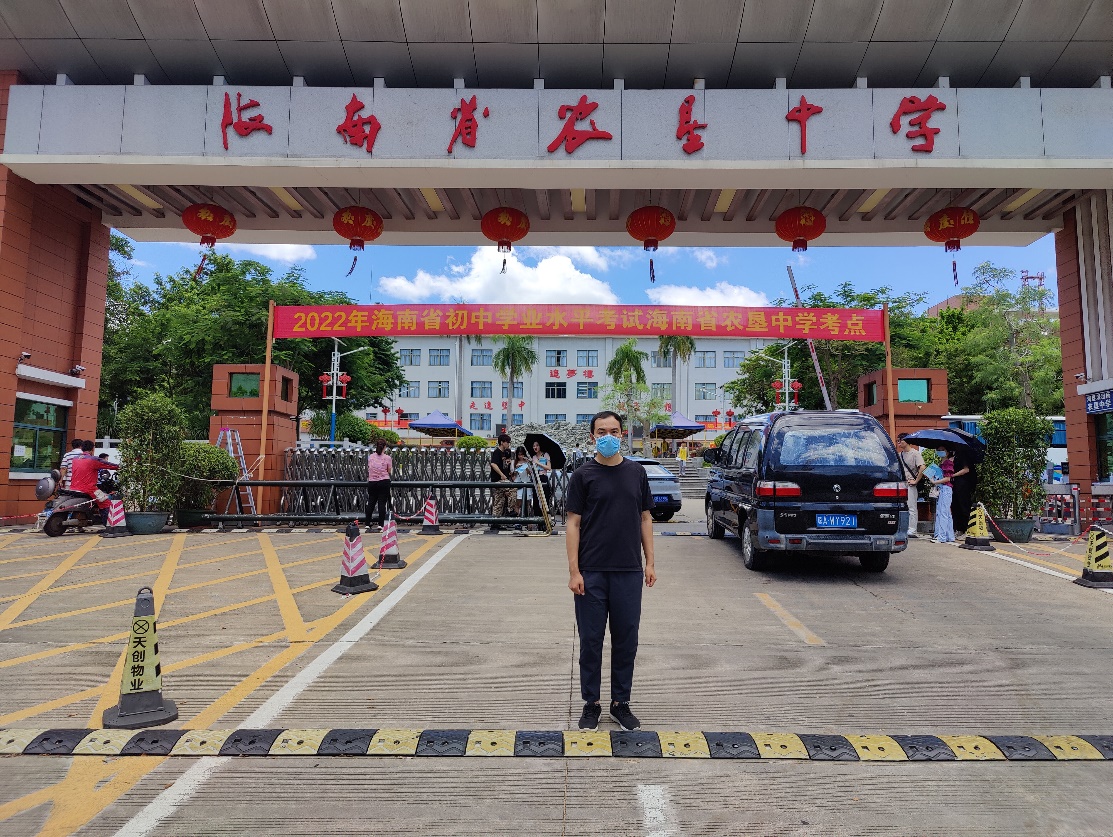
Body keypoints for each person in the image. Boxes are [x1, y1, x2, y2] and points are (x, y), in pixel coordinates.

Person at [566, 410, 656, 732]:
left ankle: (620, 703)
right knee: (591, 641)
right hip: (591, 572)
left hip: (628, 570)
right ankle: (591, 703)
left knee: (626, 640)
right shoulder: (582, 476)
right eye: (602, 431)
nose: (608, 436)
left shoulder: (636, 473)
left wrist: (650, 562)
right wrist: (574, 571)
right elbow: (573, 524)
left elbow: (645, 518)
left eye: (614, 431)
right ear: (593, 436)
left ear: (622, 434)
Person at [69, 440, 118, 524]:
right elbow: (110, 465)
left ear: (82, 448)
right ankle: (108, 526)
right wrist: (121, 467)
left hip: (73, 487)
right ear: (92, 449)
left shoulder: (75, 459)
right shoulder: (93, 460)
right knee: (106, 503)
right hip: (89, 489)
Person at [896, 433, 926, 538]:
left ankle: (912, 529)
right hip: (901, 484)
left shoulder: (915, 453)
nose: (899, 443)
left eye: (900, 440)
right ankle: (904, 528)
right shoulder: (899, 455)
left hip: (910, 484)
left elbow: (922, 467)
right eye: (897, 440)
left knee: (911, 506)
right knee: (902, 506)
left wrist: (916, 480)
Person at [488, 433, 515, 530]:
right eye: (507, 442)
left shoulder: (505, 453)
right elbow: (493, 464)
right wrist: (501, 474)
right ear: (502, 442)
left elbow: (506, 466)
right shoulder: (497, 452)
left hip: (504, 479)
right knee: (512, 489)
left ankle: (495, 522)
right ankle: (511, 510)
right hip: (498, 480)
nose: (508, 444)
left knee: (499, 501)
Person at [365, 439, 392, 532]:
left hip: (372, 482)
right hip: (384, 481)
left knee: (371, 502)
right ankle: (380, 524)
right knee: (382, 503)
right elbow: (389, 471)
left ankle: (367, 523)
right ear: (385, 447)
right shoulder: (387, 458)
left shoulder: (371, 457)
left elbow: (369, 467)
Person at [929, 447, 956, 543]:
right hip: (944, 489)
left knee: (942, 513)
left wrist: (935, 481)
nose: (939, 451)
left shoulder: (948, 463)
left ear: (947, 452)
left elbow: (947, 478)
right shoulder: (942, 464)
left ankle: (941, 537)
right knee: (946, 513)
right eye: (938, 449)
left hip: (945, 489)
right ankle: (949, 536)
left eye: (942, 449)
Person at [950, 447, 976, 537]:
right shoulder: (952, 455)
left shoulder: (963, 454)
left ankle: (966, 529)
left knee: (963, 506)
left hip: (963, 484)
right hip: (954, 484)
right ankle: (959, 529)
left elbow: (966, 469)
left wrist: (953, 475)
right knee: (955, 506)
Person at [530, 439, 553, 512]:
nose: (535, 447)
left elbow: (549, 467)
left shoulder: (545, 455)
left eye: (537, 445)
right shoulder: (533, 457)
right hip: (536, 477)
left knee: (544, 497)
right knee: (536, 497)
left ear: (540, 446)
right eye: (534, 446)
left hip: (543, 477)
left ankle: (545, 514)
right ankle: (536, 514)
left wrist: (538, 463)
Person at [511, 446, 532, 517]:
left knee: (527, 503)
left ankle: (526, 518)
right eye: (519, 455)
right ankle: (517, 518)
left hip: (526, 482)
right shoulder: (514, 462)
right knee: (518, 503)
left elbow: (530, 473)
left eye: (522, 454)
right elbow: (513, 476)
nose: (520, 456)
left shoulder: (527, 462)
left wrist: (526, 467)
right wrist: (516, 469)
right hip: (518, 483)